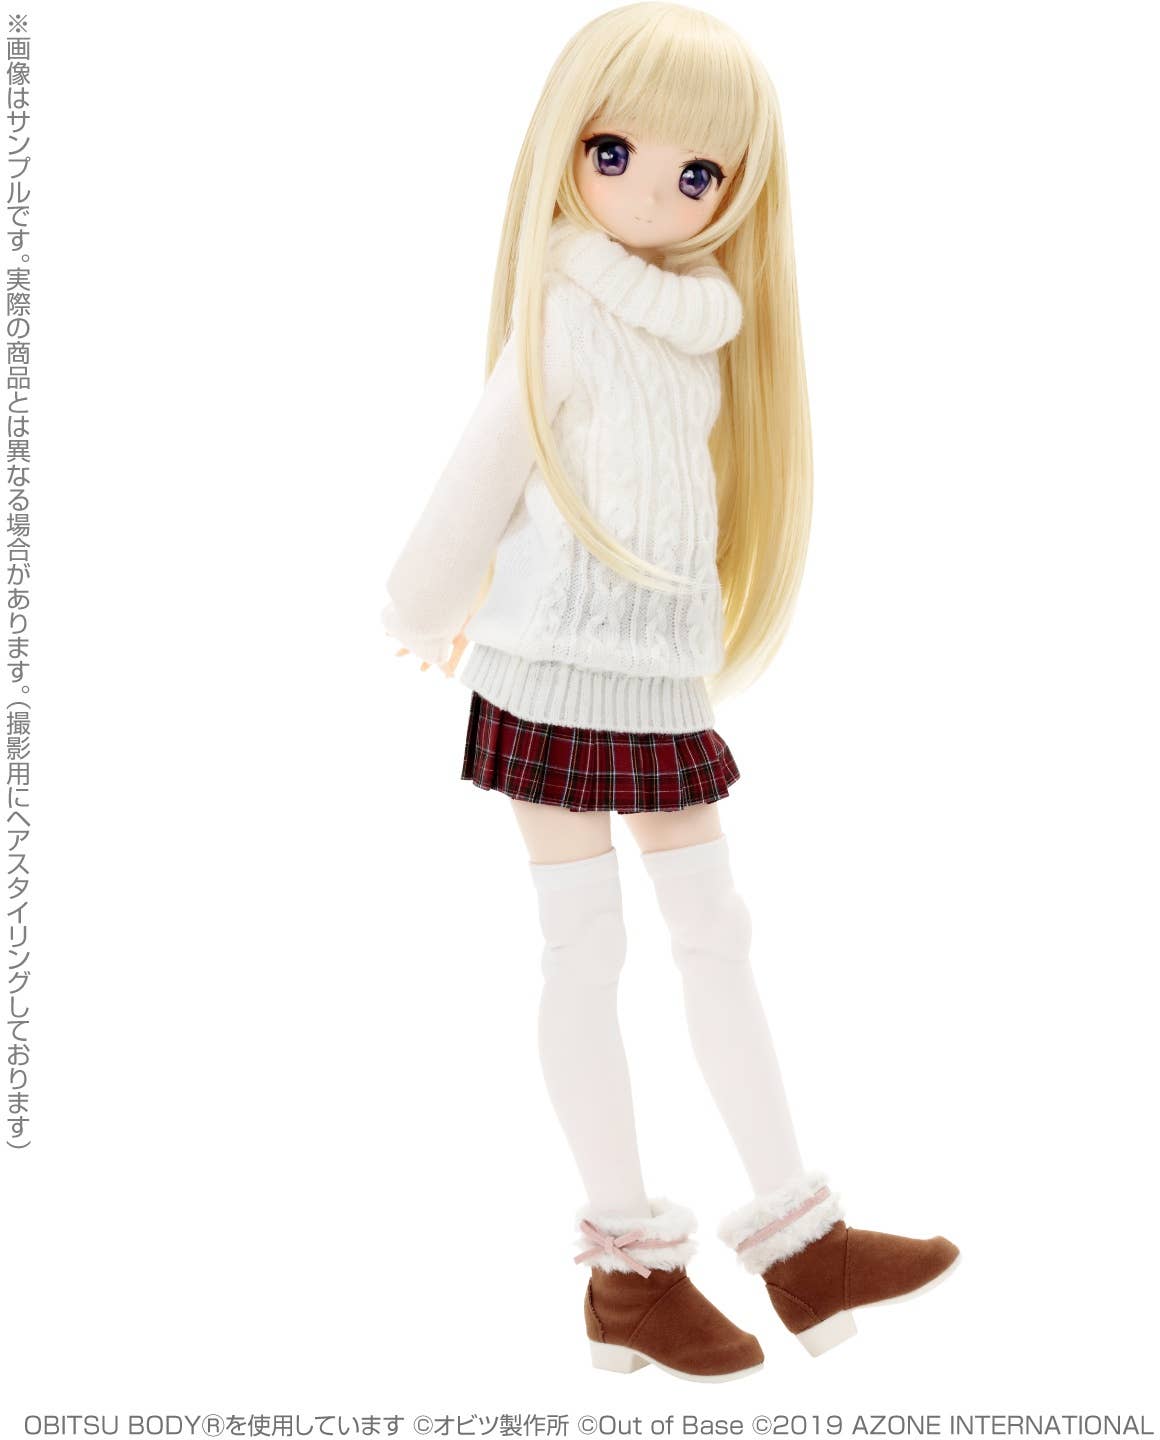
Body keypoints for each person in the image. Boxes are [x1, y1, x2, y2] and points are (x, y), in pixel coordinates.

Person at [381, 0, 959, 1382]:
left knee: (715, 931)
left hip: (656, 687)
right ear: (566, 151)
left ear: (737, 189)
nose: (653, 192)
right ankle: (630, 1275)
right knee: (587, 950)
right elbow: (476, 480)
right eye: (616, 153)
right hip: (548, 683)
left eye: (697, 172)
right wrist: (422, 610)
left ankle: (804, 1246)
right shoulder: (559, 319)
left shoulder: (702, 331)